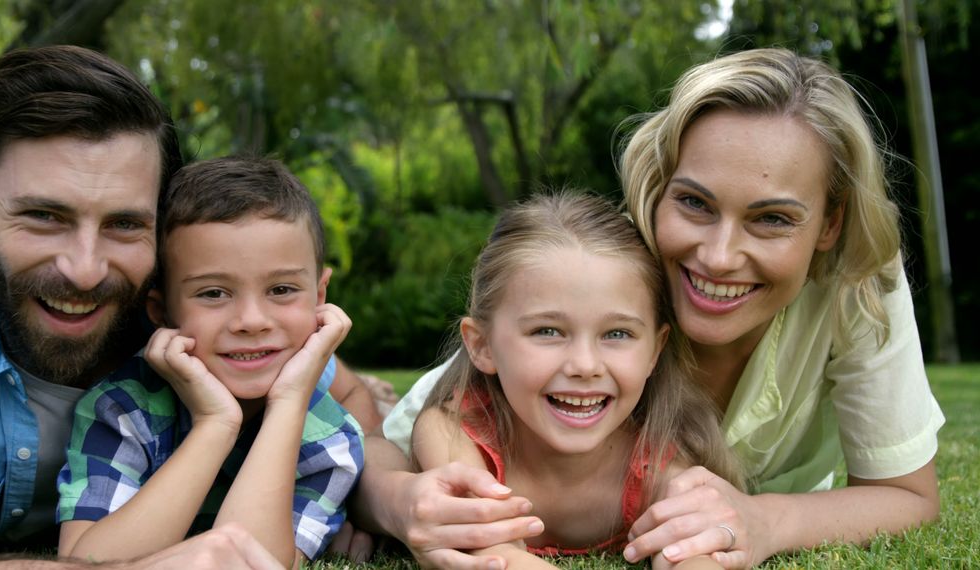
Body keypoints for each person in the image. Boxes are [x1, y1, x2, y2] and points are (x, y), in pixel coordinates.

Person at [356, 48, 944, 570]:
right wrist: (393, 502)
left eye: (772, 218)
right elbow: (408, 436)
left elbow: (909, 495)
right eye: (694, 202)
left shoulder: (859, 282)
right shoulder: (611, 272)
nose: (717, 257)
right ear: (658, 190)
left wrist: (765, 521)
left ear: (830, 222)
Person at [0, 45, 372, 567]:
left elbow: (351, 396)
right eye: (43, 215)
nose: (86, 270)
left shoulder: (189, 311)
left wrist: (388, 499)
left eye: (124, 224)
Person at [56, 156, 364, 568]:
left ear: (320, 296)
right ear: (161, 311)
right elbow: (86, 561)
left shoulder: (331, 441)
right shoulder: (122, 410)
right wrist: (216, 424)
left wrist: (289, 403)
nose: (252, 321)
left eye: (282, 289)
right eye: (214, 293)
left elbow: (258, 563)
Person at [411, 192, 744, 569]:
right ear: (482, 346)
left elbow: (694, 558)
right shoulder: (451, 433)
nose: (585, 366)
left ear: (655, 350)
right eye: (548, 331)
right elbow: (493, 555)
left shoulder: (658, 464)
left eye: (617, 334)